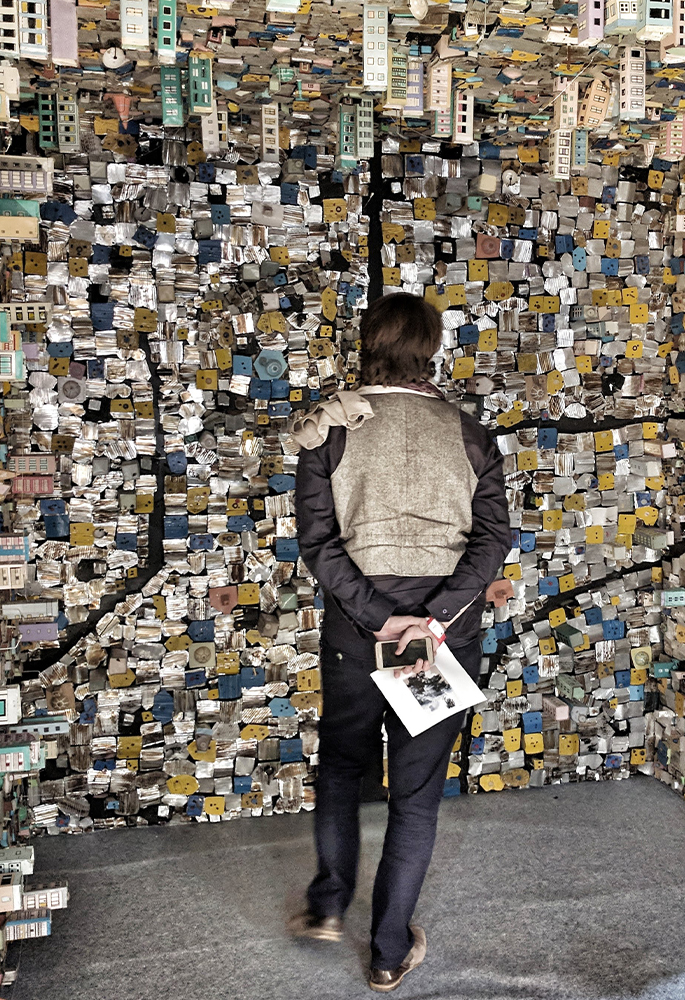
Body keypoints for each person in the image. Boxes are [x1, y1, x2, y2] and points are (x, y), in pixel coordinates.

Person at [287, 293, 510, 992]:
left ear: (367, 343)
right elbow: (491, 541)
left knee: (342, 769)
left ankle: (327, 907)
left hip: (358, 632)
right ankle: (387, 953)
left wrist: (379, 617)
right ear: (431, 348)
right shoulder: (470, 433)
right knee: (415, 795)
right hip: (445, 636)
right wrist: (436, 617)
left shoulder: (328, 431)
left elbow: (317, 544)